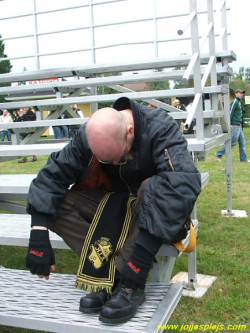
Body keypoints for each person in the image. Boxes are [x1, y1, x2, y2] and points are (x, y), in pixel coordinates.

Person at [25, 97, 201, 324]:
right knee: (58, 203)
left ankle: (130, 284)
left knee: (153, 187)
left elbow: (182, 183)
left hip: (150, 209)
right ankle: (111, 275)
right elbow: (53, 174)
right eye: (107, 160)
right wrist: (38, 231)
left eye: (119, 158)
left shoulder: (160, 127)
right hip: (113, 206)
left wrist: (140, 259)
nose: (116, 163)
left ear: (130, 131)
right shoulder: (89, 134)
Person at [216, 89, 250, 162]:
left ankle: (243, 158)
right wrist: (230, 123)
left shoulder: (238, 102)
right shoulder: (235, 101)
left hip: (239, 125)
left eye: (242, 93)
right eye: (240, 93)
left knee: (242, 142)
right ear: (236, 93)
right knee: (233, 142)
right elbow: (230, 112)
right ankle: (219, 153)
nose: (242, 94)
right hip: (234, 125)